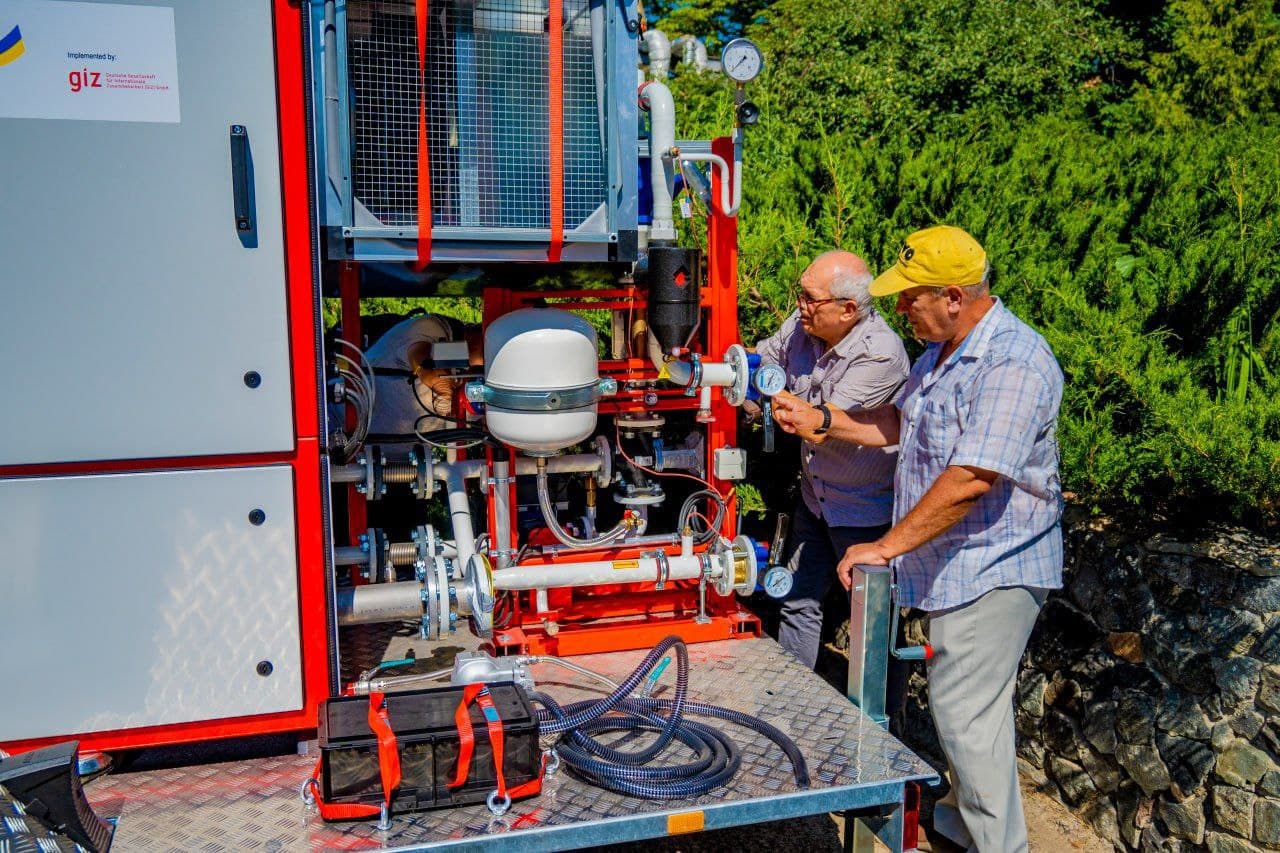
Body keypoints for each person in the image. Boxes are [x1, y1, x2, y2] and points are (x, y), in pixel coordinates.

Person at [772, 226, 1064, 853]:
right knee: (967, 715)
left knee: (966, 719)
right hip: (955, 565)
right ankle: (958, 826)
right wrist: (825, 420)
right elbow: (897, 423)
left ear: (954, 296)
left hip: (994, 567)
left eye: (911, 297)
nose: (899, 309)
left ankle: (997, 845)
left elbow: (971, 478)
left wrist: (885, 546)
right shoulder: (942, 352)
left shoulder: (1014, 362)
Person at [754, 250, 909, 671]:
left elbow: (817, 423)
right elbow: (762, 359)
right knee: (797, 601)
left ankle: (880, 720)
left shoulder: (881, 355)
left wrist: (764, 392)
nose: (800, 306)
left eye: (810, 299)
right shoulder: (802, 325)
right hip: (816, 499)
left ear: (848, 310)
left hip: (863, 512)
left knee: (872, 622)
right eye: (800, 295)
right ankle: (791, 694)